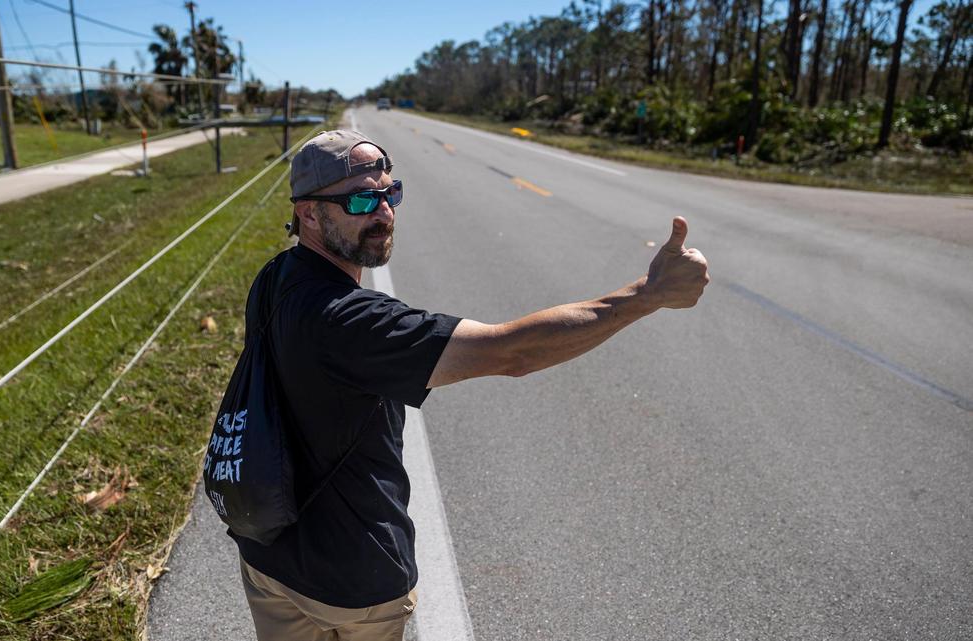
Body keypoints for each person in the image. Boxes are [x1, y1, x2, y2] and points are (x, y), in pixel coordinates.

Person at [230, 129, 709, 641]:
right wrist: (648, 295)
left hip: (268, 555)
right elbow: (512, 352)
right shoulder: (348, 321)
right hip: (352, 581)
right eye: (361, 199)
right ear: (308, 213)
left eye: (390, 192)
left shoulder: (275, 276)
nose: (384, 212)